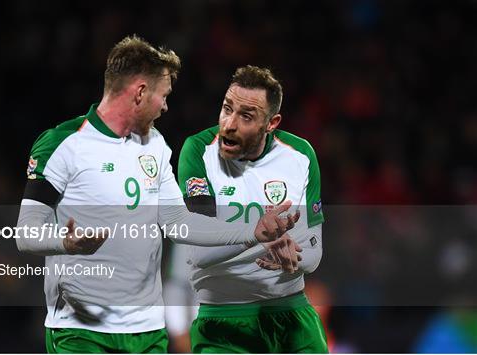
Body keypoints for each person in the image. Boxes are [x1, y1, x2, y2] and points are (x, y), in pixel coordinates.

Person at [15, 36, 297, 353]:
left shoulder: (156, 146)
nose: (165, 105)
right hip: (81, 332)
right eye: (163, 95)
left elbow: (179, 224)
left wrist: (251, 231)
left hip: (148, 334)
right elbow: (26, 234)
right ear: (140, 92)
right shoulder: (61, 143)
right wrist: (64, 242)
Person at [177, 65, 328, 353]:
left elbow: (313, 254)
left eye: (245, 116)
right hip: (224, 323)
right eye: (226, 108)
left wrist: (292, 258)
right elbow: (199, 252)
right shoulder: (198, 151)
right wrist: (255, 234)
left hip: (292, 314)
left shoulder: (301, 156)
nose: (229, 124)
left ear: (271, 123)